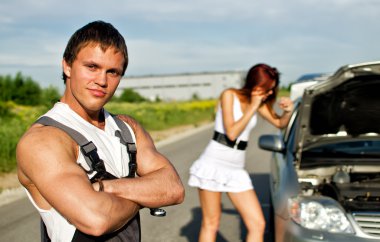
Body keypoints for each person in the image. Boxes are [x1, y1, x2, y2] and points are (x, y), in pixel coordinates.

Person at [16, 20, 184, 242]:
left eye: (113, 72)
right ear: (67, 66)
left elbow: (173, 189)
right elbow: (96, 220)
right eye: (92, 67)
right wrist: (146, 194)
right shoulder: (44, 139)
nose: (102, 81)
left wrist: (104, 188)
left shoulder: (127, 128)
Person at [188, 63, 294, 242]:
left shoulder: (258, 103)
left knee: (257, 224)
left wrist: (288, 112)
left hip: (237, 169)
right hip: (213, 163)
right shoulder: (230, 95)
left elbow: (279, 124)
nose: (269, 94)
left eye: (271, 90)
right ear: (254, 83)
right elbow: (232, 132)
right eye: (266, 89)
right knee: (211, 223)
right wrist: (253, 106)